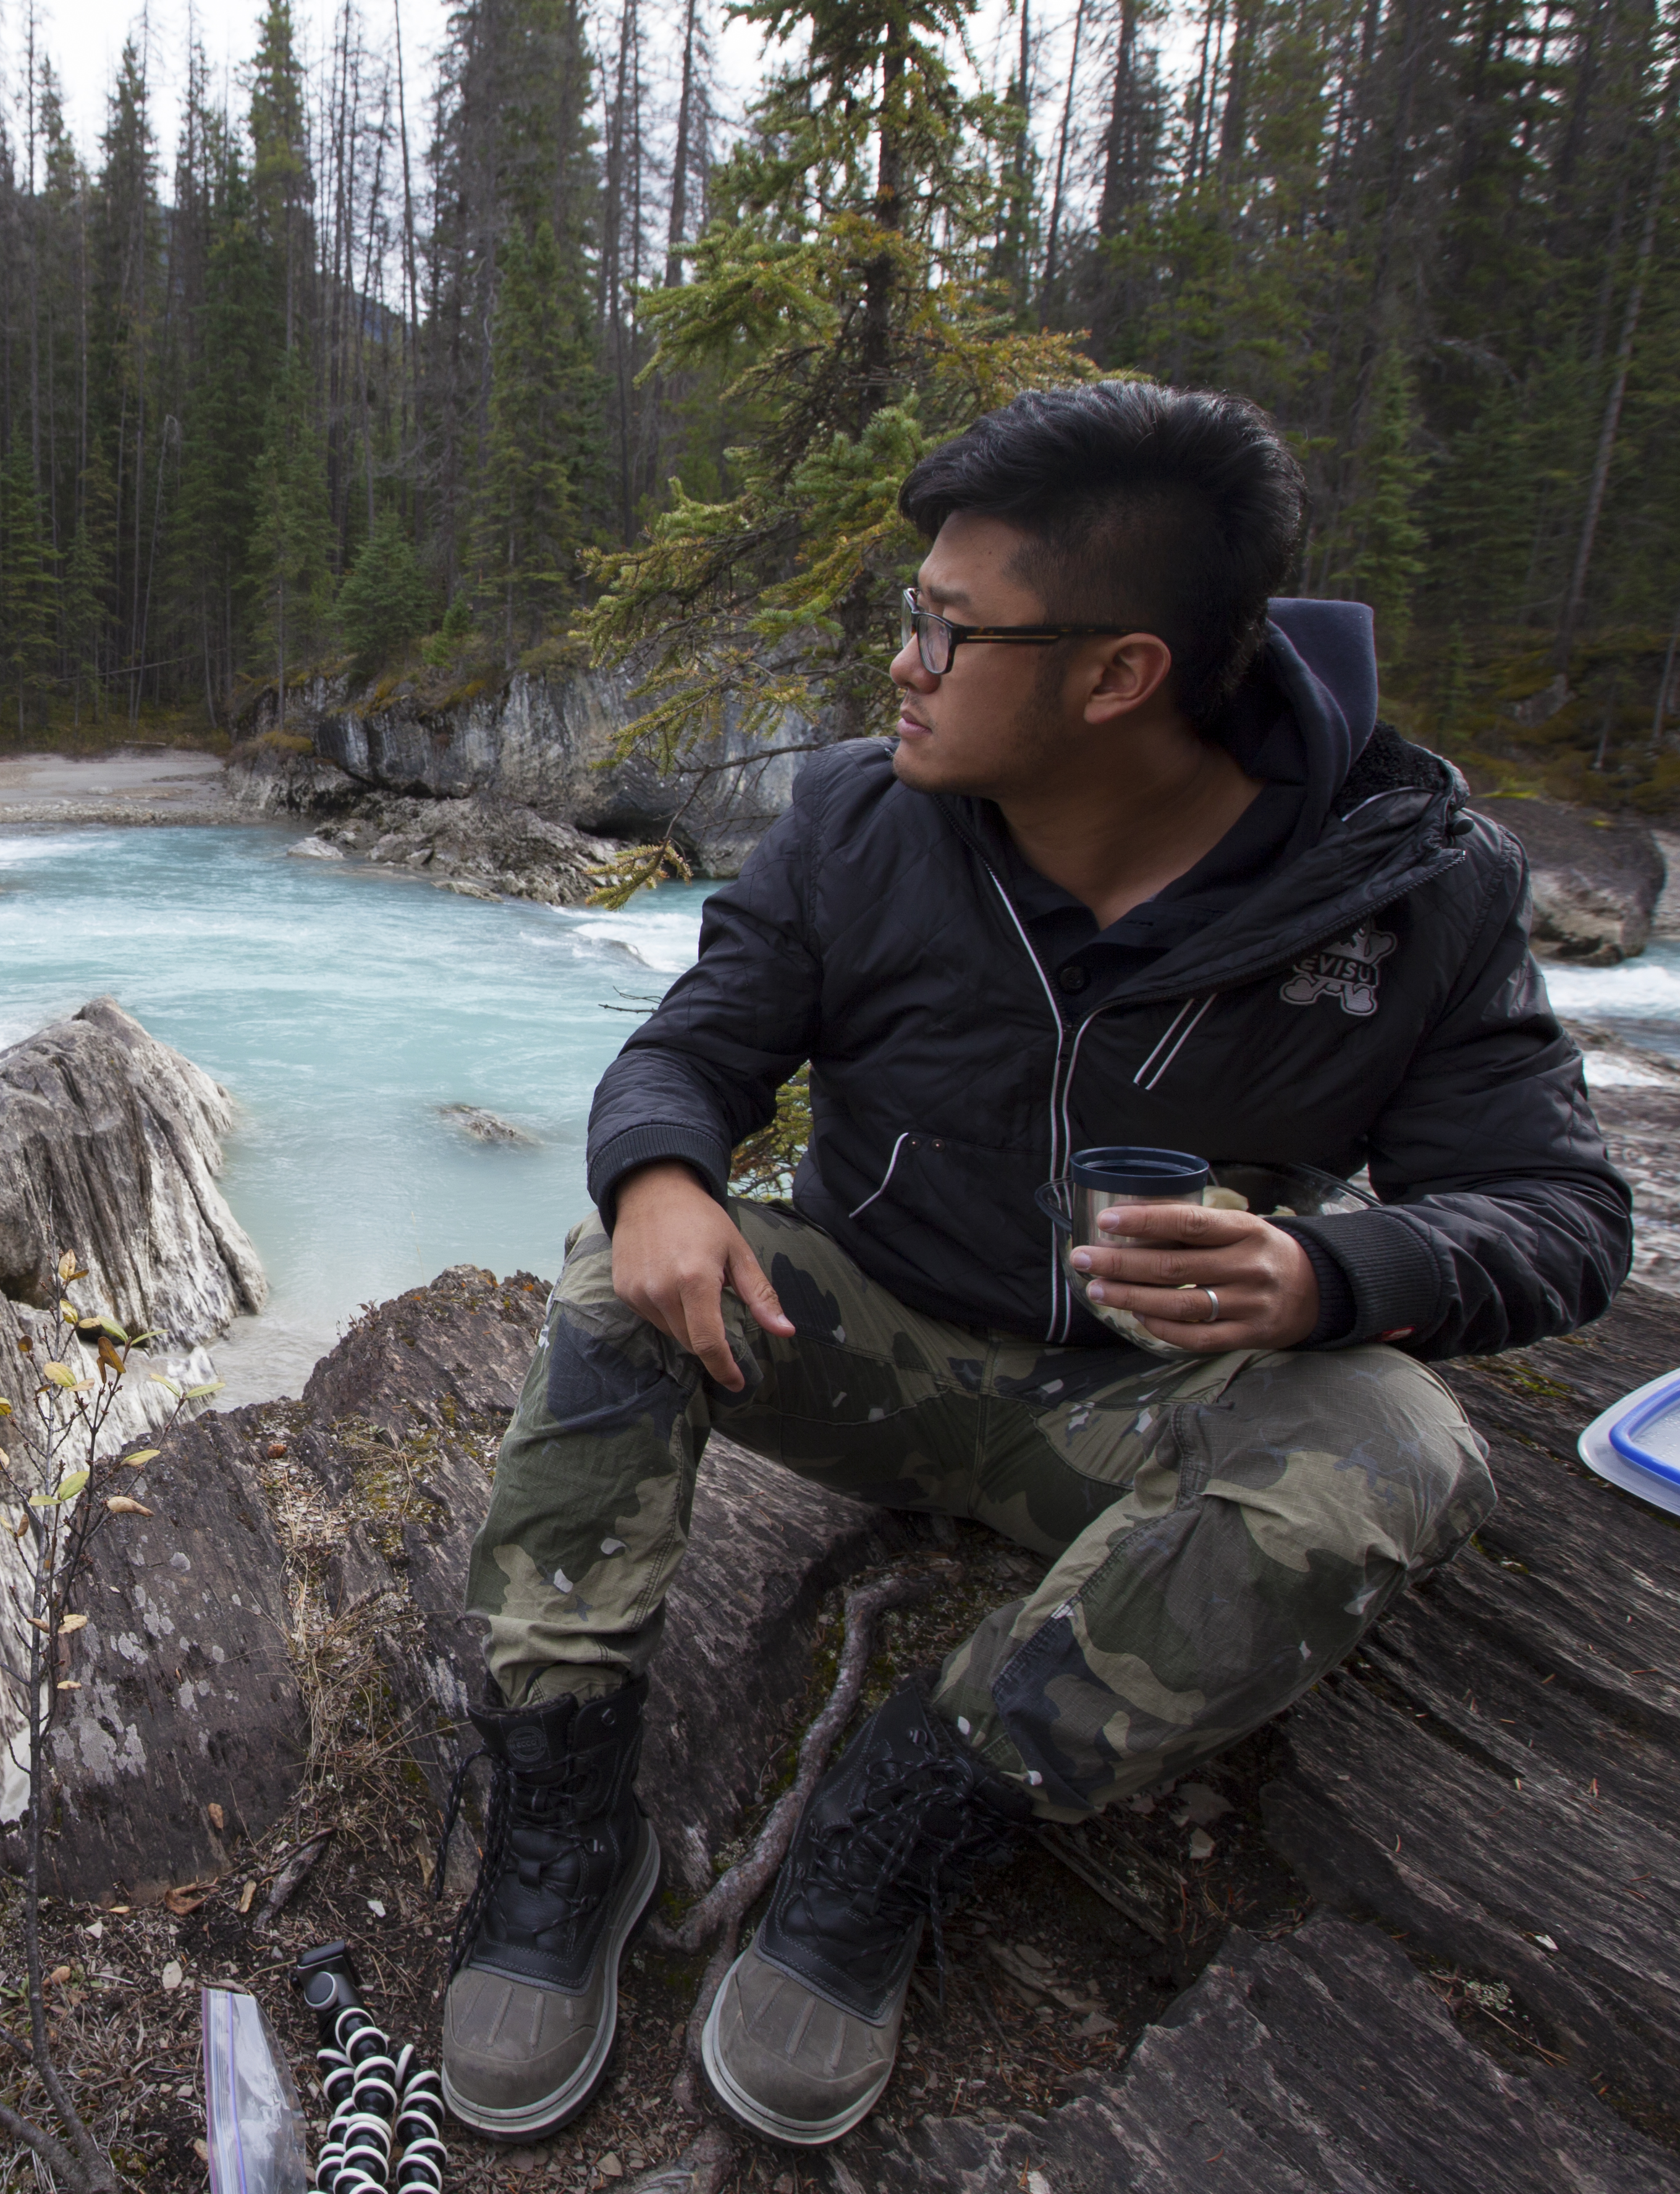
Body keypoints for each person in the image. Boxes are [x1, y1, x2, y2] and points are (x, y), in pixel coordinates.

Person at [433, 381, 1631, 2149]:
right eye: (913, 616)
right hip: (873, 1345)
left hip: (1156, 1411)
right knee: (617, 1277)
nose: (902, 666)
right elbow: (696, 1041)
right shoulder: (861, 821)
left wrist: (1334, 1274)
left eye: (948, 629)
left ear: (1119, 673)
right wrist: (665, 1171)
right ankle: (565, 1808)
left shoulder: (1411, 893)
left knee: (1401, 1445)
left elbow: (1558, 1210)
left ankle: (900, 1820)